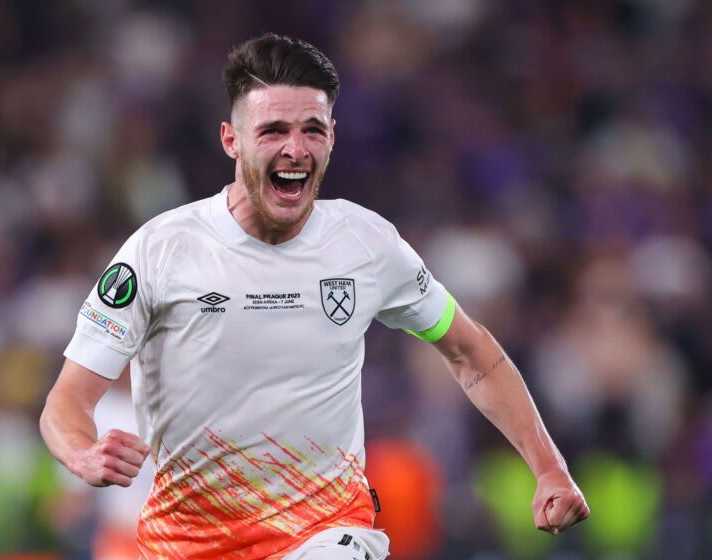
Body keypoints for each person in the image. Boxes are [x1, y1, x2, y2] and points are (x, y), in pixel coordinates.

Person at [39, 33, 589, 560]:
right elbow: (66, 402)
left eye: (312, 129)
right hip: (188, 544)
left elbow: (470, 350)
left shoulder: (366, 245)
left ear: (333, 136)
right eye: (274, 130)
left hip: (328, 532)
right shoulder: (159, 252)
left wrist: (549, 468)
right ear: (231, 139)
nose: (295, 149)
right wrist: (83, 453)